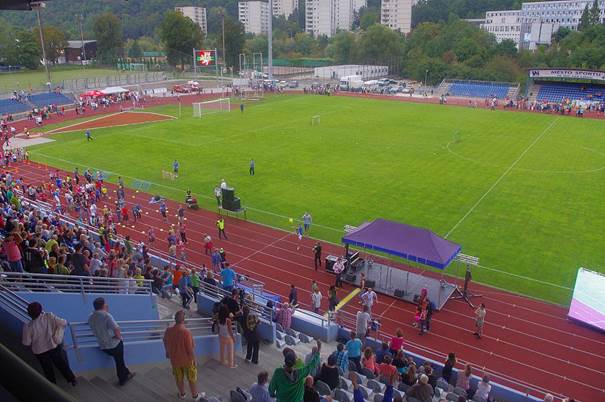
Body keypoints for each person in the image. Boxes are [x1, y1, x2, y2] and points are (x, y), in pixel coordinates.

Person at [22, 302, 77, 386]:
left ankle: (52, 385)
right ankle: (72, 379)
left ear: (29, 313)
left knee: (47, 369)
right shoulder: (49, 316)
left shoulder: (27, 326)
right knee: (61, 364)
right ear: (41, 310)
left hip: (40, 351)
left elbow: (27, 343)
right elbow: (63, 322)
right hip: (53, 346)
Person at [88, 297, 134, 385]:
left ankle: (127, 373)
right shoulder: (106, 315)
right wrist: (119, 337)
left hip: (103, 346)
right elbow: (116, 328)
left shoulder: (91, 317)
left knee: (119, 360)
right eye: (105, 304)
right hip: (113, 345)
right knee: (119, 361)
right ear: (103, 305)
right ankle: (122, 379)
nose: (107, 305)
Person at [163, 310, 205, 401]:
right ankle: (195, 396)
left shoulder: (168, 330)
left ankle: (182, 394)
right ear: (184, 320)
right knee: (191, 378)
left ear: (175, 319)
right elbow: (190, 349)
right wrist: (194, 360)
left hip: (174, 360)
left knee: (179, 378)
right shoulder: (186, 332)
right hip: (187, 360)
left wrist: (167, 352)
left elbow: (165, 341)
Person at [218, 304, 237, 368]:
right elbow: (230, 331)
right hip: (228, 337)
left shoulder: (219, 318)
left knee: (222, 349)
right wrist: (233, 338)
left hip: (221, 336)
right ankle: (230, 364)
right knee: (230, 351)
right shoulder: (228, 320)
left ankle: (222, 361)